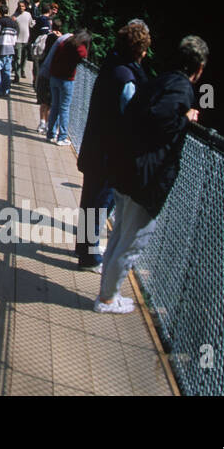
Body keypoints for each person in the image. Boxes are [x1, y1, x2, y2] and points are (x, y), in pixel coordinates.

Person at [95, 35, 209, 314]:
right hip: (144, 177)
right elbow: (160, 117)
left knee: (119, 233)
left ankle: (106, 291)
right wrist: (186, 118)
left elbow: (137, 112)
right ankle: (107, 298)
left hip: (122, 166)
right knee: (131, 241)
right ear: (200, 67)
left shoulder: (157, 80)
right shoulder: (181, 89)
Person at [74, 21, 151, 270]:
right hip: (109, 153)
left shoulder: (111, 66)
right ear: (140, 50)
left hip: (95, 145)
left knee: (91, 201)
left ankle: (84, 248)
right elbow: (131, 117)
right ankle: (89, 256)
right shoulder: (127, 78)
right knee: (100, 203)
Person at [47, 27, 90, 145]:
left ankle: (50, 134)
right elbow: (84, 55)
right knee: (64, 108)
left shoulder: (65, 41)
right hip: (66, 80)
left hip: (54, 77)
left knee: (55, 106)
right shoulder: (78, 46)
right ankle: (62, 137)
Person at [33, 17, 64, 131]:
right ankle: (48, 125)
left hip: (44, 69)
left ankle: (42, 123)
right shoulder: (60, 40)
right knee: (51, 101)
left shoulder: (47, 37)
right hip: (54, 73)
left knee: (43, 100)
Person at [0, 6, 18, 96]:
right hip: (11, 49)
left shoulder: (1, 21)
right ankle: (6, 90)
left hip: (2, 48)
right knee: (7, 70)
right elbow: (15, 39)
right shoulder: (14, 23)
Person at [14, 0, 33, 81]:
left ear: (25, 7)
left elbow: (31, 24)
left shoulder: (28, 15)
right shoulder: (14, 16)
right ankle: (17, 75)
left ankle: (23, 70)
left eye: (22, 6)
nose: (21, 8)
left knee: (24, 57)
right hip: (17, 39)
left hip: (26, 39)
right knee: (17, 57)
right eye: (19, 6)